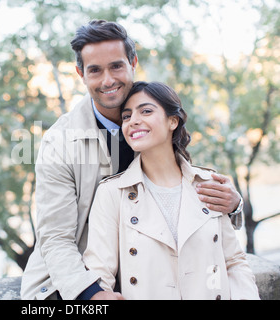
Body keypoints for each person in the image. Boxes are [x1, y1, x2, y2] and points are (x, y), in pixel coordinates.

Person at [20, 20, 243, 300]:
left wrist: (233, 205)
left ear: (132, 62)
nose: (108, 80)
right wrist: (90, 293)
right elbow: (55, 238)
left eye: (116, 66)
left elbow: (180, 198)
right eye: (95, 70)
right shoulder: (59, 143)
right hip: (76, 280)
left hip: (151, 273)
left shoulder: (154, 116)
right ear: (81, 73)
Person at [82, 81, 259, 300]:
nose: (133, 121)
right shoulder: (112, 192)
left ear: (172, 121)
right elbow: (99, 272)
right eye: (126, 116)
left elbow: (234, 262)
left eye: (146, 111)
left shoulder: (207, 183)